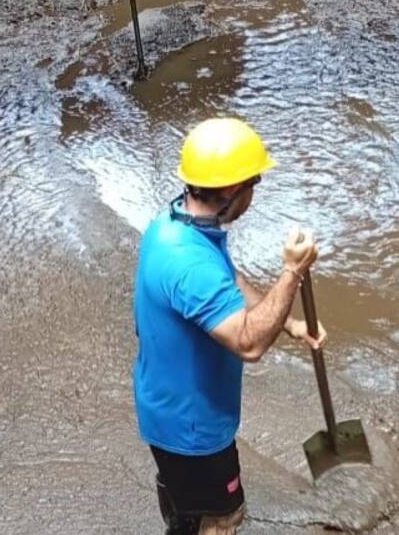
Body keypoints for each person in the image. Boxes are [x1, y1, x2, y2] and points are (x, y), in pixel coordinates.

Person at [132, 117, 327, 533]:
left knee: (186, 502)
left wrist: (290, 324)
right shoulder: (188, 264)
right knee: (224, 516)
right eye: (254, 182)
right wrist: (292, 273)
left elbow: (228, 280)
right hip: (192, 426)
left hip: (167, 404)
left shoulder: (176, 223)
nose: (255, 193)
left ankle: (183, 515)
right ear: (233, 189)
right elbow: (249, 344)